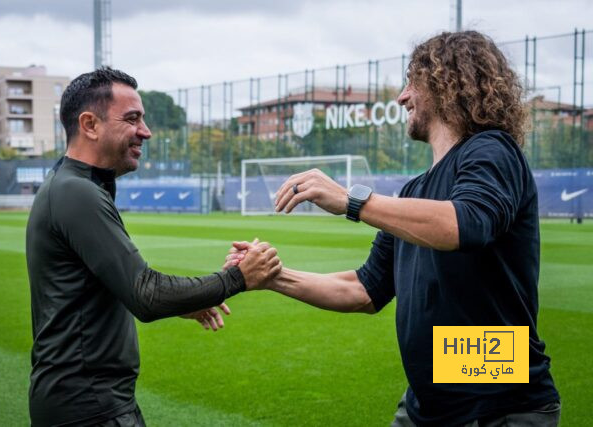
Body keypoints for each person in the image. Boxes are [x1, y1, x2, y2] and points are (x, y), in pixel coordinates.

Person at [227, 31, 560, 426]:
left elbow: (465, 223)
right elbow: (364, 289)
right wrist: (273, 277)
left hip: (500, 411)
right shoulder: (414, 191)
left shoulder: (492, 149)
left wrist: (352, 201)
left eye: (411, 83)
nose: (402, 98)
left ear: (446, 84)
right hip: (427, 406)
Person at [26, 67, 281, 427]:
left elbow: (109, 288)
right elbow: (146, 294)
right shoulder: (75, 192)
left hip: (86, 403)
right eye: (132, 119)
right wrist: (239, 277)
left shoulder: (76, 186)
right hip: (89, 409)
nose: (145, 131)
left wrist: (190, 299)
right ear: (90, 124)